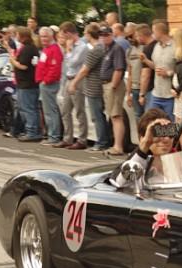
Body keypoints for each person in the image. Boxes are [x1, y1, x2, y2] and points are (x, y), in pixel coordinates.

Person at [69, 23, 109, 151]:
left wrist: (74, 82)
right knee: (98, 115)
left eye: (85, 33)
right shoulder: (102, 48)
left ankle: (102, 142)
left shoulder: (96, 50)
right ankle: (103, 140)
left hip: (93, 86)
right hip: (96, 84)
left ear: (89, 34)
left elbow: (85, 69)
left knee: (96, 115)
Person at [110, 108, 172, 187]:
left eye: (169, 132)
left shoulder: (177, 163)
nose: (166, 139)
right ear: (142, 138)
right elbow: (121, 184)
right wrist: (145, 145)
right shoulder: (139, 165)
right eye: (156, 133)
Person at [58, 21, 88, 149]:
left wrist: (69, 50)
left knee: (79, 110)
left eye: (64, 36)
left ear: (69, 33)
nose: (63, 39)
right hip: (69, 78)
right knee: (65, 110)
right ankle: (67, 137)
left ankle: (82, 139)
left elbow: (73, 62)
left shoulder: (82, 46)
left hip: (78, 80)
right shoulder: (70, 46)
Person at [8, 27, 40, 141]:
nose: (16, 37)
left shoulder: (28, 49)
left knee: (28, 108)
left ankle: (32, 132)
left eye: (17, 34)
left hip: (27, 83)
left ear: (22, 36)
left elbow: (24, 66)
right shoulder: (30, 48)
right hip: (26, 83)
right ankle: (30, 130)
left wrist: (13, 61)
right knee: (28, 108)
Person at [100, 25, 127, 157]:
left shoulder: (116, 48)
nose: (104, 37)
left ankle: (118, 146)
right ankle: (116, 144)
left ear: (112, 35)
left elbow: (119, 69)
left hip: (113, 85)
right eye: (102, 35)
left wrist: (113, 86)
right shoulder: (107, 49)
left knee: (116, 116)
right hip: (107, 84)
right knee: (113, 116)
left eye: (106, 35)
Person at [36, 27, 63, 145]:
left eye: (45, 36)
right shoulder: (46, 49)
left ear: (51, 36)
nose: (43, 39)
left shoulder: (54, 49)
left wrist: (46, 80)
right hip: (44, 82)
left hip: (49, 84)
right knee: (47, 111)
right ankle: (51, 134)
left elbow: (55, 68)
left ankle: (54, 135)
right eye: (41, 36)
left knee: (51, 110)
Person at [148, 22, 175, 119]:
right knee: (152, 122)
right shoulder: (156, 46)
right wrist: (145, 61)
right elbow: (155, 66)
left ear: (160, 32)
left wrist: (167, 73)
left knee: (170, 126)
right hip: (156, 94)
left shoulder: (175, 47)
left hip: (170, 95)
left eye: (154, 31)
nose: (152, 34)